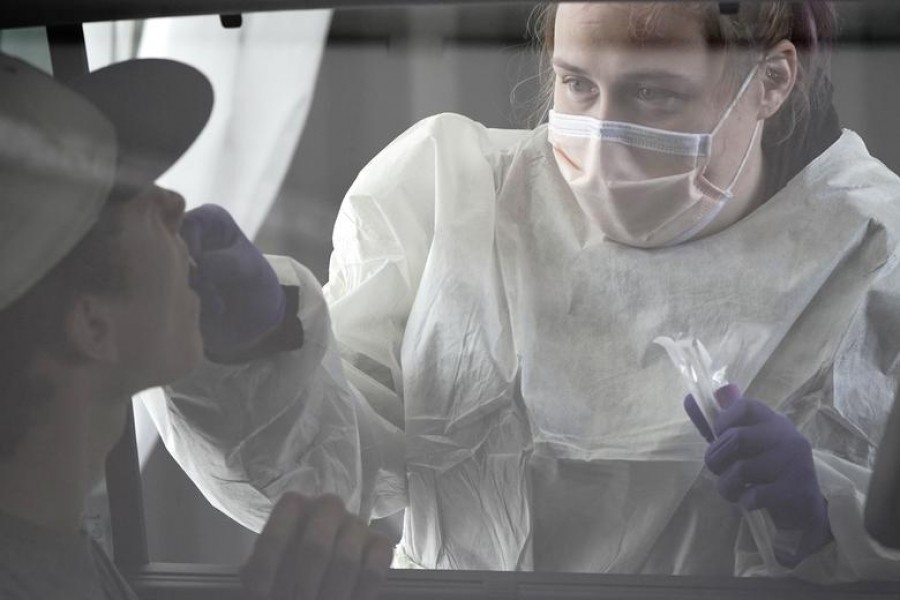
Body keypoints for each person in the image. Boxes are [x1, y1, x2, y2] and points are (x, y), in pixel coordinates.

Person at [151, 0, 900, 581]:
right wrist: (258, 338)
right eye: (577, 84)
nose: (602, 131)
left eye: (653, 95)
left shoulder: (871, 257)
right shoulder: (452, 196)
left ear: (770, 81)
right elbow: (324, 480)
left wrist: (822, 515)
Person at [0, 53, 392, 600]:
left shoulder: (52, 548)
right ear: (91, 324)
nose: (174, 203)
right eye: (126, 196)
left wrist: (259, 342)